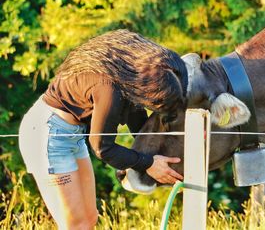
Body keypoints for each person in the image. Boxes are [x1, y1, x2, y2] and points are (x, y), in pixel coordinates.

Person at [19, 29, 187, 229]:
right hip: (48, 135)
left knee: (89, 219)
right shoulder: (108, 87)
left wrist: (183, 139)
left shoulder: (135, 69)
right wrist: (147, 162)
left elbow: (137, 120)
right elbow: (102, 148)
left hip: (73, 134)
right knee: (75, 225)